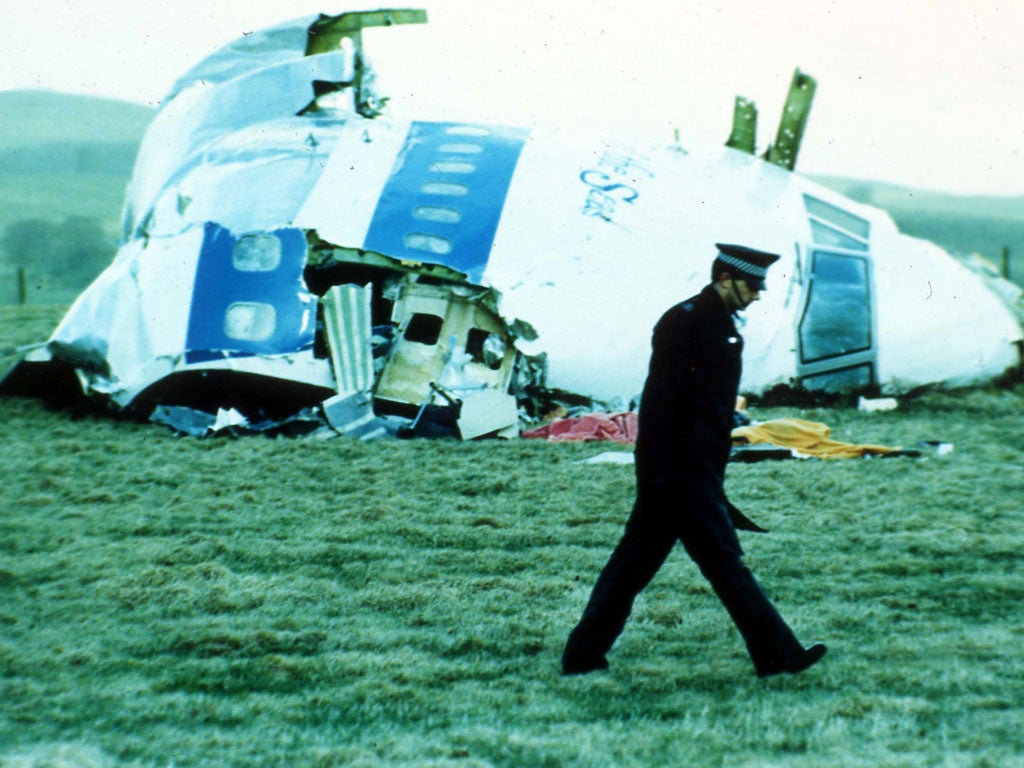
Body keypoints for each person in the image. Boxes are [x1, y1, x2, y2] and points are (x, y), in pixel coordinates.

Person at [561, 243, 827, 678]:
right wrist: (665, 475)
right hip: (680, 472)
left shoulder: (717, 324)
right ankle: (778, 654)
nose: (758, 294)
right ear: (726, 279)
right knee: (724, 562)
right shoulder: (684, 323)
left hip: (690, 470)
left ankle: (582, 655)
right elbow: (661, 404)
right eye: (753, 284)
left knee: (634, 566)